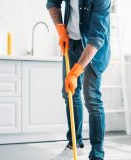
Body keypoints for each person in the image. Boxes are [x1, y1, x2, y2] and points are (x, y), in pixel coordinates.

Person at [46, 0, 111, 160]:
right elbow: (52, 2)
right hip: (72, 43)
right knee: (70, 94)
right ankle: (74, 144)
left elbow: (96, 38)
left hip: (93, 50)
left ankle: (97, 154)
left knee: (92, 98)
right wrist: (61, 29)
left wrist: (76, 72)